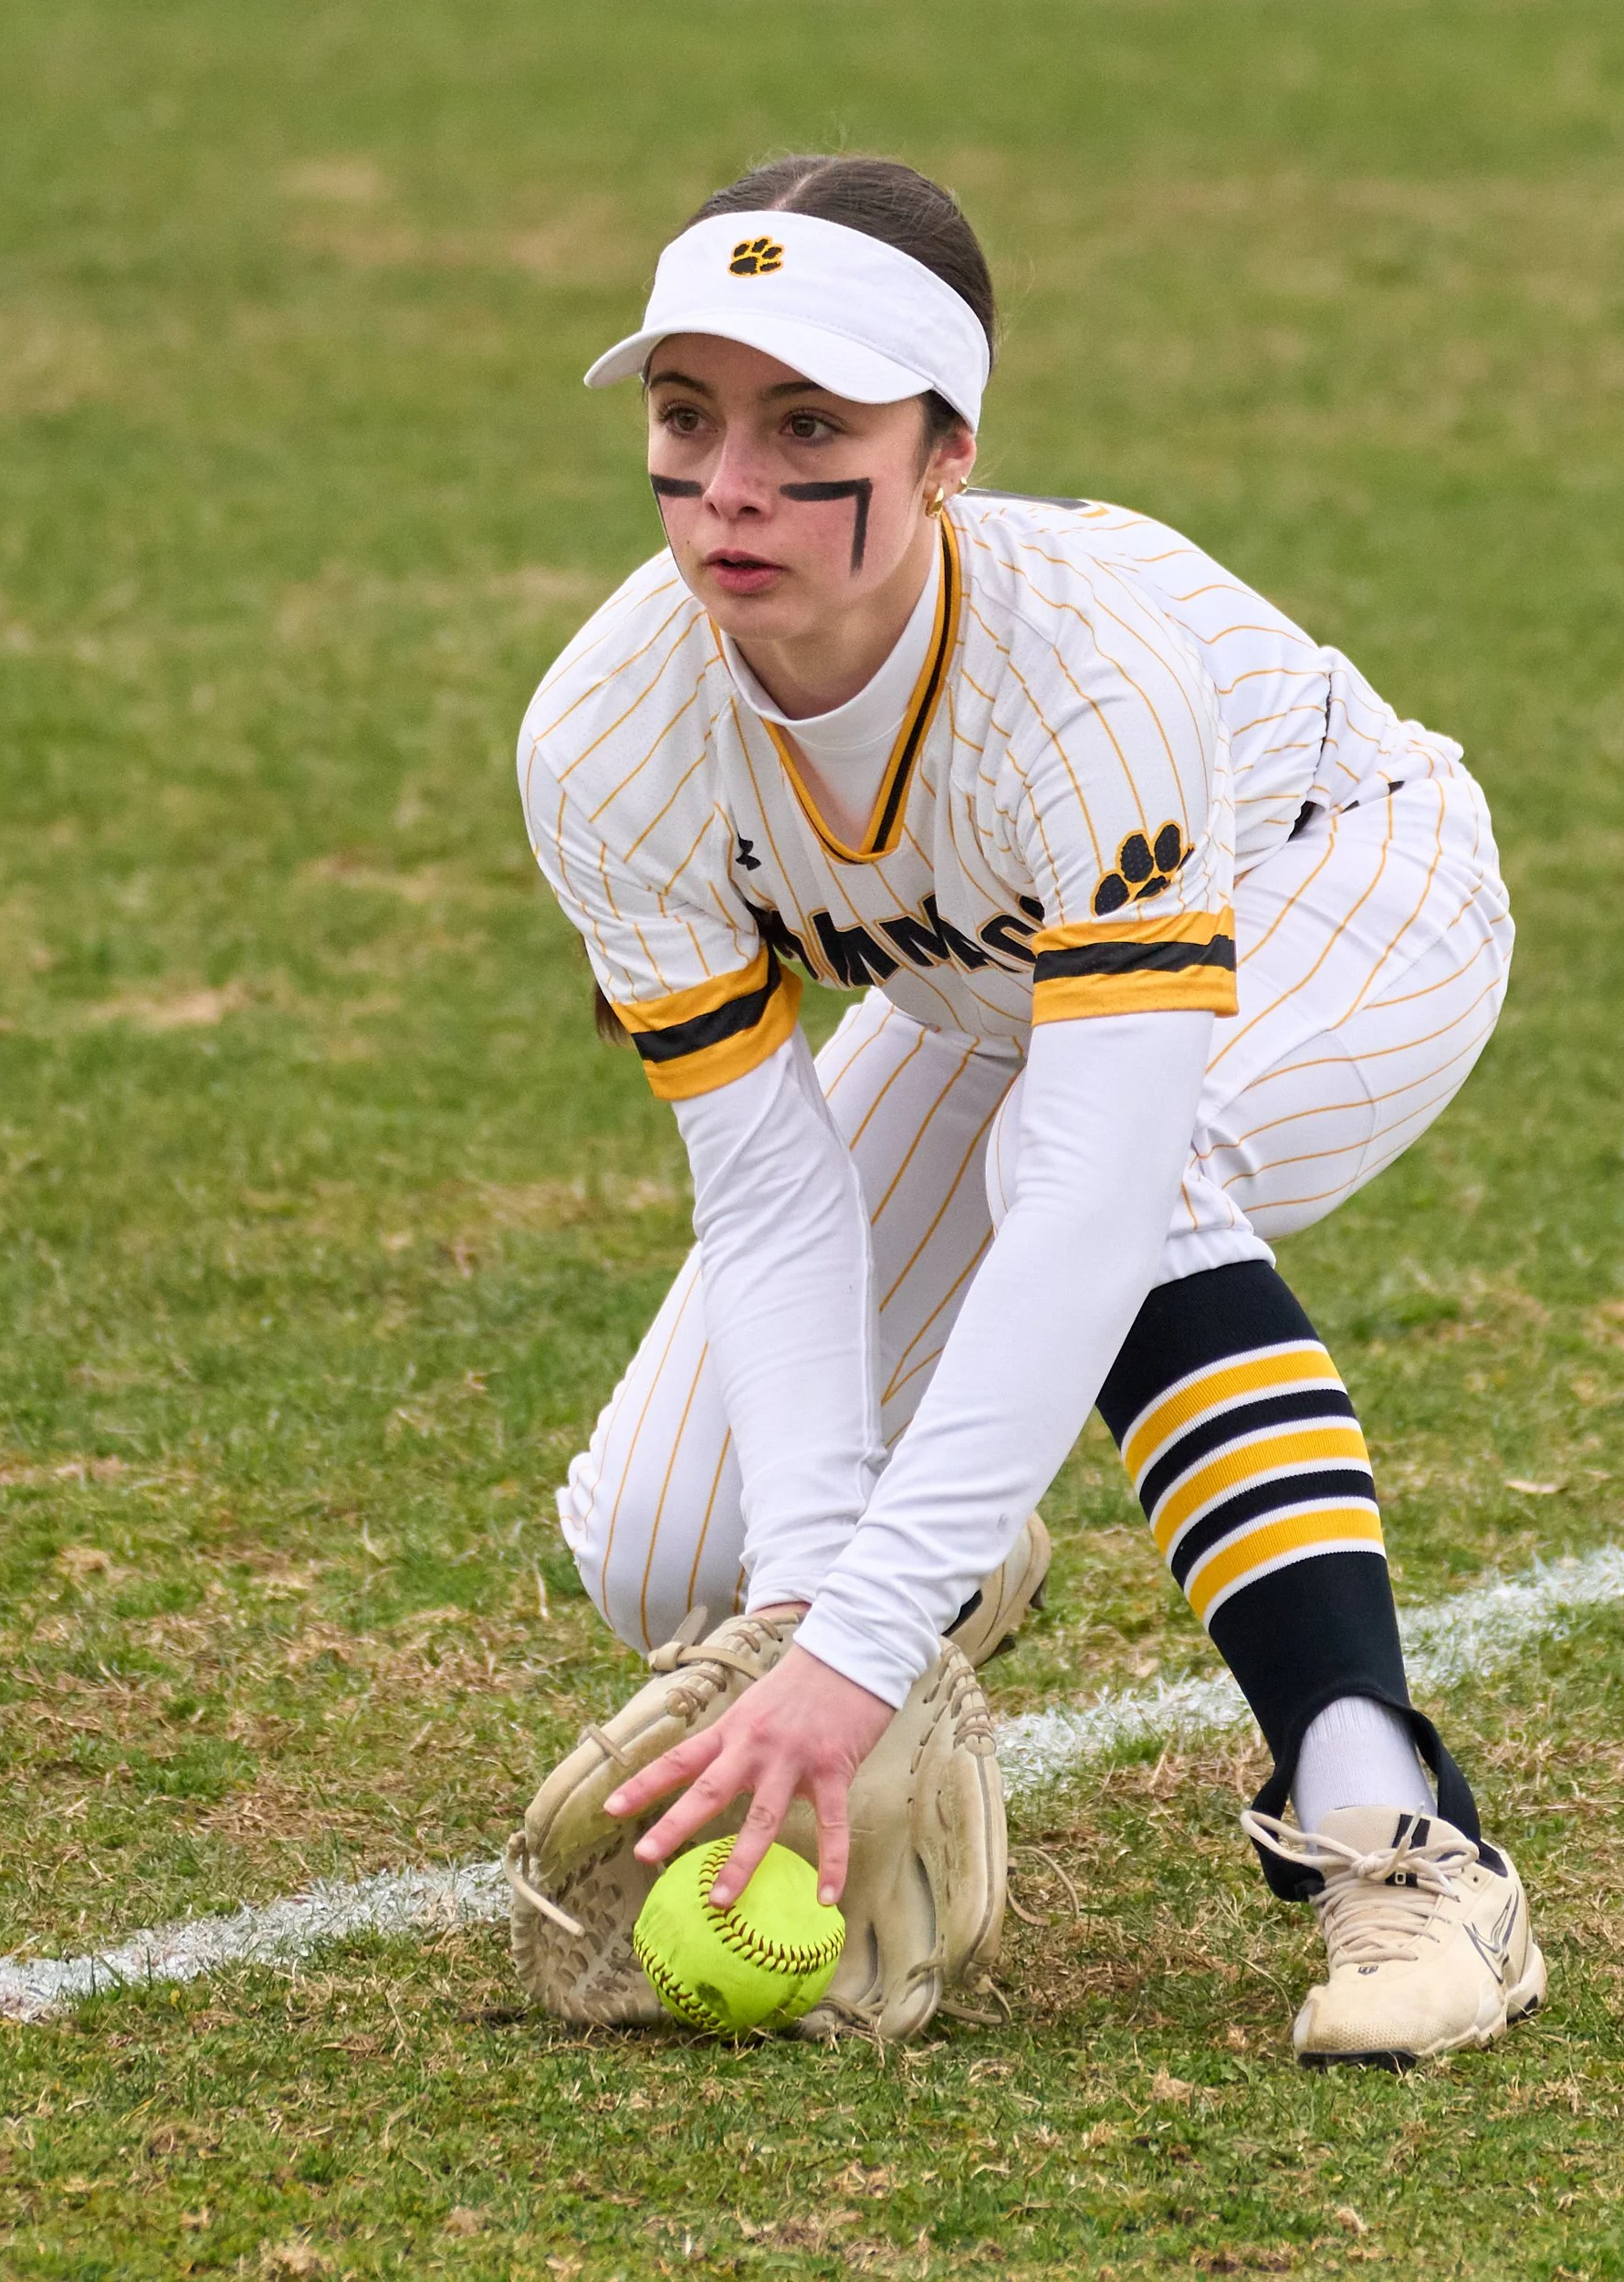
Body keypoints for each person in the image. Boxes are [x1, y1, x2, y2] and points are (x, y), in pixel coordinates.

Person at [510, 154, 1545, 2065]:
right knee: (670, 1548)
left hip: (1345, 889)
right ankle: (936, 1551)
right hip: (998, 998)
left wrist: (853, 1658)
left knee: (1130, 1191)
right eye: (686, 414)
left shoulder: (1086, 662)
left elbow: (1082, 1188)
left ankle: (1394, 1834)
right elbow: (766, 1187)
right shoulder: (606, 732)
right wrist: (826, 1600)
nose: (730, 482)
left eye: (808, 422)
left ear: (944, 452)